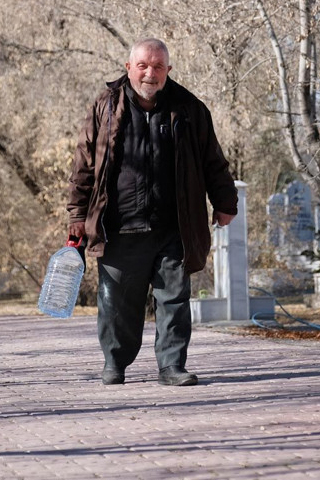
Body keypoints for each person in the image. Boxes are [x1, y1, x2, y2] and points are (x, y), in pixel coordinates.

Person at [67, 38, 238, 386]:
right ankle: (115, 363)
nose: (150, 73)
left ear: (168, 70)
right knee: (117, 304)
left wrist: (225, 202)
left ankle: (171, 366)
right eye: (143, 65)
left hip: (174, 226)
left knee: (174, 300)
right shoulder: (105, 106)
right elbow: (84, 164)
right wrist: (77, 215)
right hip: (118, 227)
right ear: (129, 67)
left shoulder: (189, 109)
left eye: (158, 66)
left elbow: (212, 160)